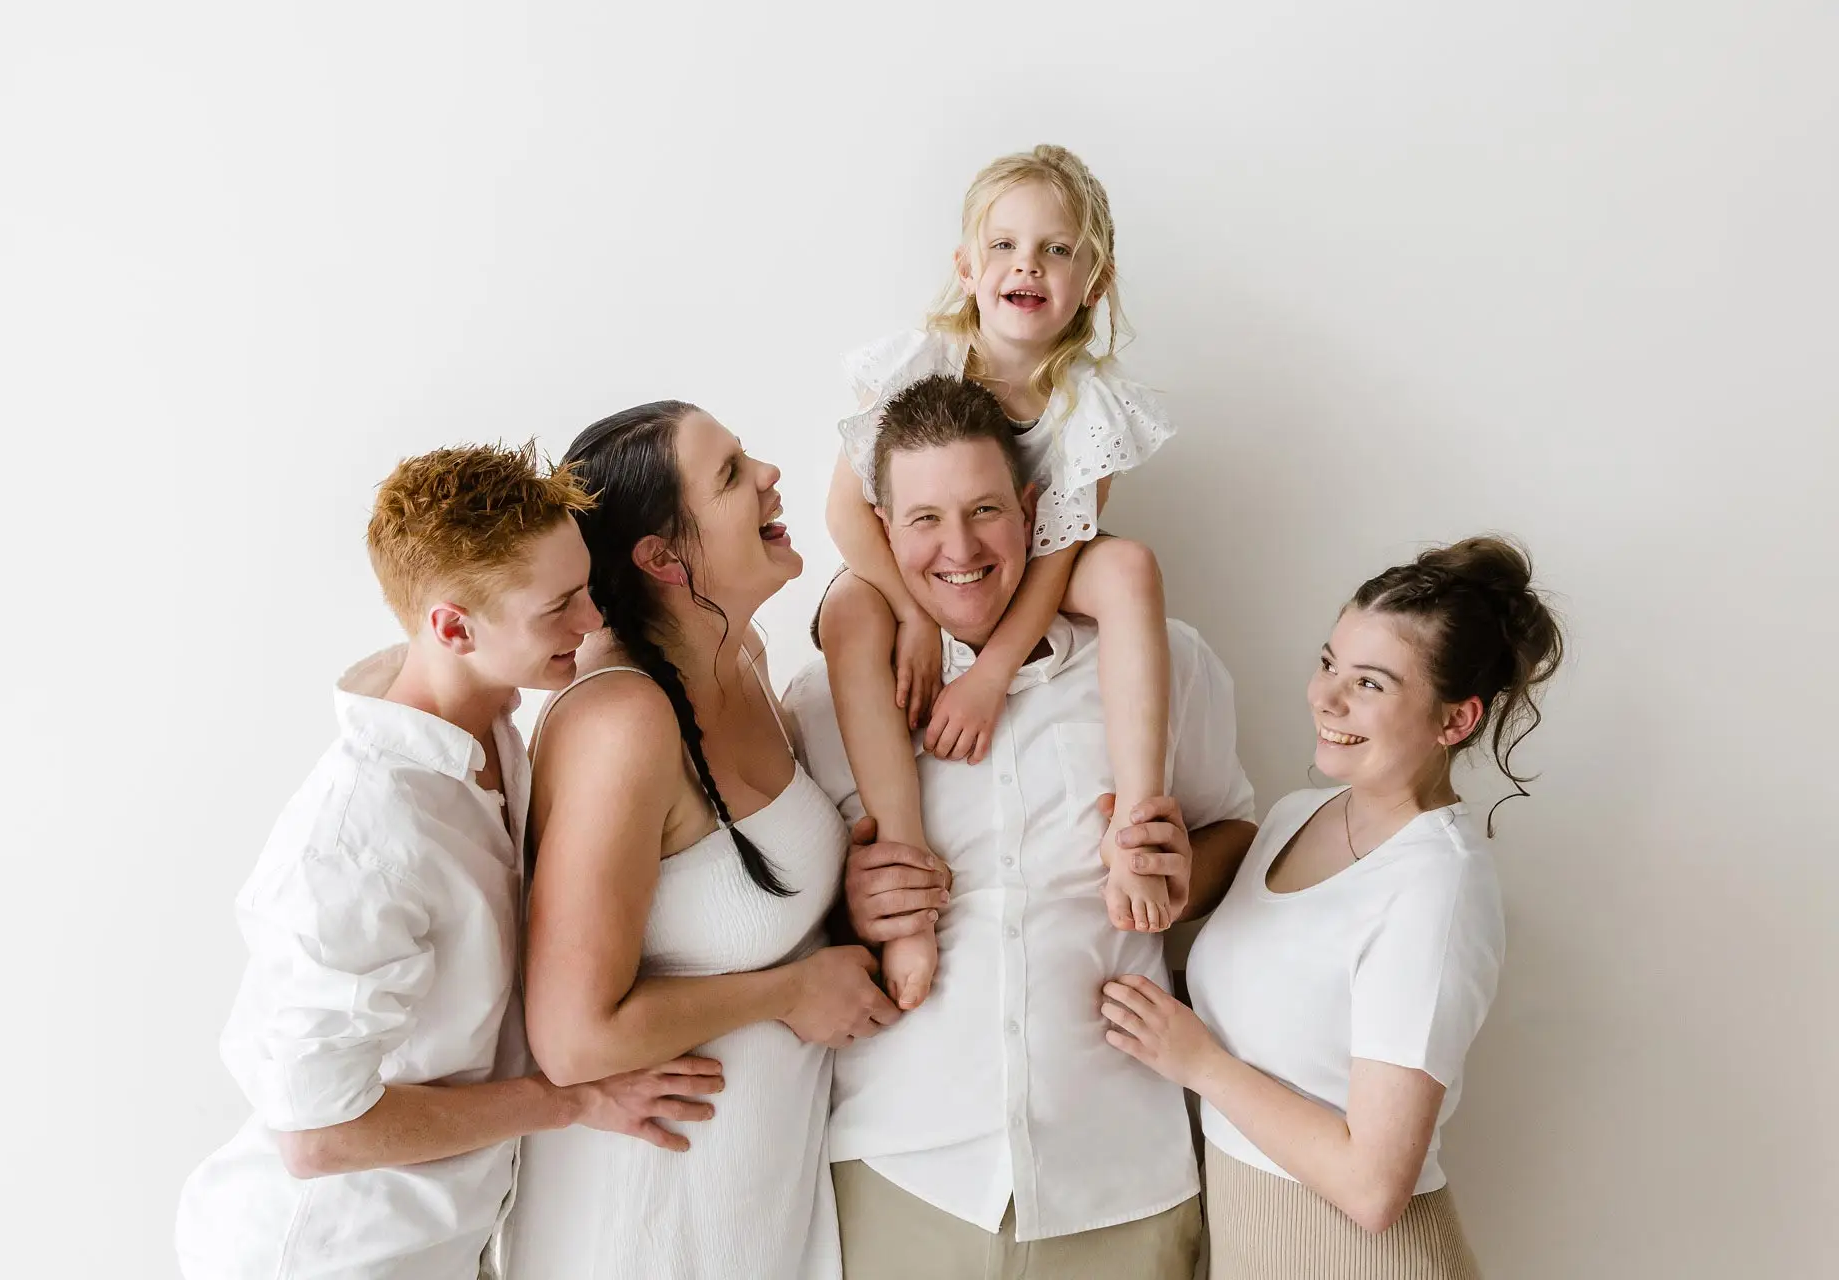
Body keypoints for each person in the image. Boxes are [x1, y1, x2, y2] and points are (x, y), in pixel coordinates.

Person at [175, 443, 725, 1280]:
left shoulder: (494, 722)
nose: (590, 619)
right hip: (331, 1257)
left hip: (449, 1245)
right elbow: (319, 1135)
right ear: (453, 628)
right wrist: (572, 1101)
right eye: (560, 607)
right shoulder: (360, 840)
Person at [787, 374, 1259, 1279]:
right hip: (902, 1166)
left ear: (1034, 509)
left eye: (985, 510)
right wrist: (852, 907)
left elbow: (1234, 830)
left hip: (1122, 1176)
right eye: (923, 519)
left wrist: (1178, 875)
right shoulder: (820, 705)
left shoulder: (1163, 662)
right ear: (882, 530)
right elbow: (773, 927)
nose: (958, 548)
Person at [504, 402, 898, 1280]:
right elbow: (573, 1038)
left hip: (756, 1208)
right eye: (729, 474)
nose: (768, 475)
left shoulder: (744, 653)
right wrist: (790, 992)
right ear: (662, 559)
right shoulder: (623, 722)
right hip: (643, 1225)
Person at [1102, 536, 1564, 1278]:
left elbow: (1375, 1187)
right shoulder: (1295, 816)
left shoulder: (1437, 887)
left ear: (1455, 721)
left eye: (1371, 684)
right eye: (1328, 664)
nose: (1326, 697)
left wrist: (1198, 1064)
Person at [818, 144, 1181, 1012]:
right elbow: (845, 517)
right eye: (1007, 246)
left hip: (1025, 576)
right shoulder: (918, 365)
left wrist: (988, 674)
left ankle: (1135, 825)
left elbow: (1057, 555)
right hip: (909, 575)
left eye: (1058, 250)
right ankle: (906, 885)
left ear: (1093, 280)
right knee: (844, 611)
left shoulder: (1090, 406)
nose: (1029, 266)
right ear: (968, 267)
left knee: (1127, 565)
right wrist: (912, 617)